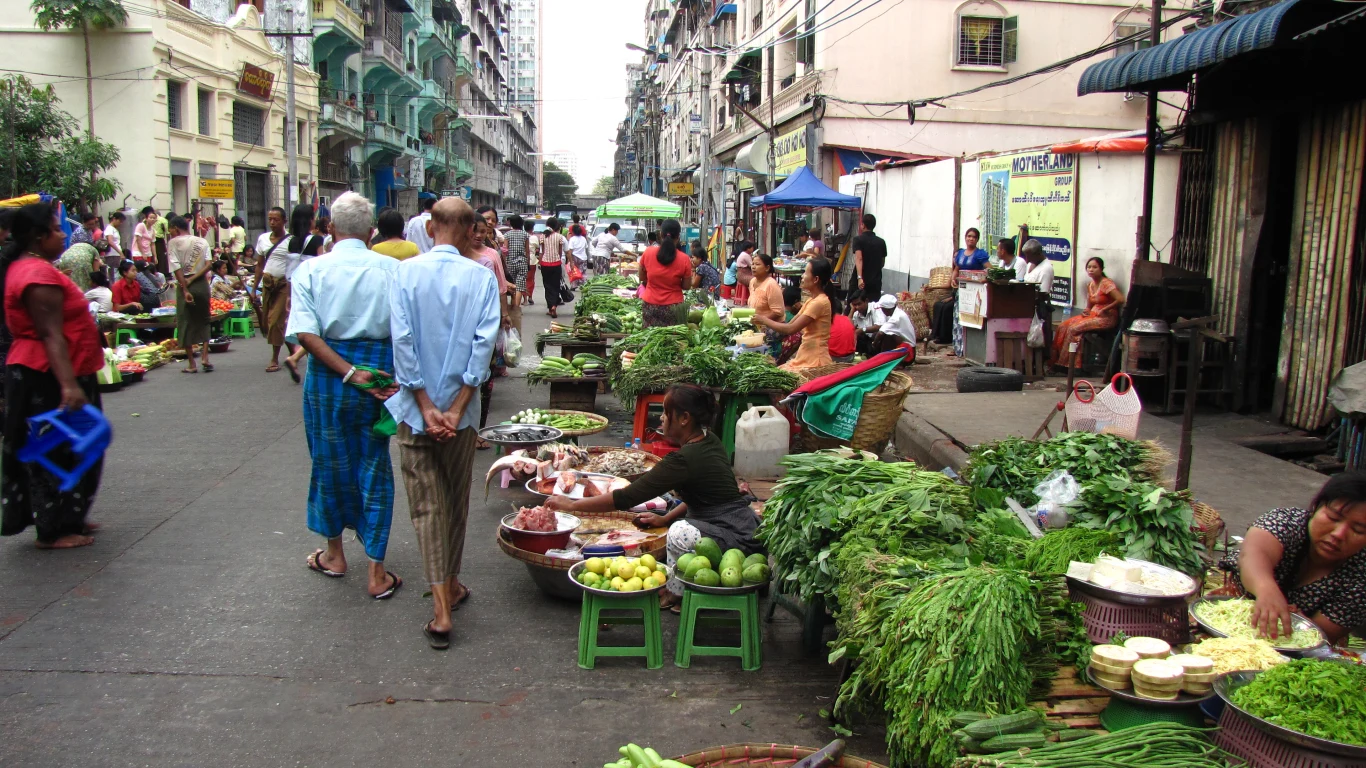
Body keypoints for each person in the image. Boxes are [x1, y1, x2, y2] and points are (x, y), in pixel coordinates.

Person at [387, 197, 502, 649]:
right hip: (462, 416)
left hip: (416, 414)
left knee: (426, 508)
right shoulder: (480, 277)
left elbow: (402, 339)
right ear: (472, 228)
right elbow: (484, 344)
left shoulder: (404, 274)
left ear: (431, 226)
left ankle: (441, 606)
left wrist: (423, 401)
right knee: (455, 502)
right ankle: (449, 587)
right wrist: (455, 409)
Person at [286, 191, 405, 601]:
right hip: (379, 376)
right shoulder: (393, 270)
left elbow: (306, 335)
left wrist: (348, 372)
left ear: (330, 228)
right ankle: (377, 572)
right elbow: (405, 333)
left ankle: (335, 556)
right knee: (374, 465)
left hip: (328, 376)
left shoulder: (310, 271)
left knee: (328, 461)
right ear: (371, 232)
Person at [546, 385, 759, 612]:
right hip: (740, 525)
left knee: (679, 532)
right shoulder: (710, 440)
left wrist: (572, 505)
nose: (662, 419)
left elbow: (627, 497)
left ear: (684, 418)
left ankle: (676, 593)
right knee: (671, 517)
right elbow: (701, 497)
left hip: (735, 537)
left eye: (667, 413)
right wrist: (664, 518)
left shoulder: (682, 460)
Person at [0, 202, 107, 549]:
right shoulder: (35, 275)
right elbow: (50, 334)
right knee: (55, 450)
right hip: (45, 375)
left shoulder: (40, 267)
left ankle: (69, 515)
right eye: (57, 229)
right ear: (38, 236)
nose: (63, 234)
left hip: (65, 368)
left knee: (81, 444)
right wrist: (68, 385)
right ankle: (53, 529)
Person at [1222, 472, 1366, 644]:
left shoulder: (1360, 574)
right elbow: (1253, 554)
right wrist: (1267, 591)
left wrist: (1298, 623)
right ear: (1316, 508)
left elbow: (1324, 634)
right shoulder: (1288, 522)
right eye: (1333, 518)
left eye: (1358, 530)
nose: (1338, 534)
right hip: (1228, 616)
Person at [753, 256, 839, 373]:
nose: (802, 276)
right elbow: (790, 324)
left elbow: (790, 329)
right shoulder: (811, 300)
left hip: (815, 359)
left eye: (805, 273)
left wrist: (764, 320)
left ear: (816, 279)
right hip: (806, 355)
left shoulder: (819, 302)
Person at [1051, 256, 1124, 370]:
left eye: (1095, 267)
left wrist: (1105, 308)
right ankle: (1057, 360)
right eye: (1089, 267)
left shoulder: (1106, 283)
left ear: (1101, 269)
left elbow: (1120, 299)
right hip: (1093, 315)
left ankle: (1069, 365)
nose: (1091, 269)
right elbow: (1089, 304)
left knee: (1074, 329)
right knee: (1063, 326)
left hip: (1106, 318)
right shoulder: (1090, 285)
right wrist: (1086, 310)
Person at [280, 205, 325, 382]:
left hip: (297, 288)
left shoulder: (291, 242)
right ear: (310, 220)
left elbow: (289, 272)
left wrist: (289, 297)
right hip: (314, 288)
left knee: (305, 325)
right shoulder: (316, 241)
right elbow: (322, 267)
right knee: (318, 328)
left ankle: (297, 357)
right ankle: (296, 358)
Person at [167, 215, 214, 374]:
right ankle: (205, 357)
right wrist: (195, 278)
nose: (170, 232)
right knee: (205, 319)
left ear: (175, 228)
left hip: (184, 283)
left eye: (170, 229)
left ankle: (192, 364)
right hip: (201, 284)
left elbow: (176, 267)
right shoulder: (202, 241)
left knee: (185, 321)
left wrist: (185, 287)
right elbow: (209, 265)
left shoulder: (173, 243)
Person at [252, 206, 293, 374]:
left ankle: (274, 359)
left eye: (276, 219)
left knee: (276, 320)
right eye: (270, 219)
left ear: (284, 221)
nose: (272, 222)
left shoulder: (291, 240)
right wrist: (254, 288)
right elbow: (259, 264)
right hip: (267, 284)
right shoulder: (263, 239)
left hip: (283, 284)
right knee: (268, 322)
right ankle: (293, 351)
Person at [639, 220, 693, 327]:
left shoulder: (648, 252)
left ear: (660, 234)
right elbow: (686, 286)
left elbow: (641, 277)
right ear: (678, 237)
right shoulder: (684, 259)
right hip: (673, 308)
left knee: (650, 339)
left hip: (650, 306)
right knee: (672, 340)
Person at [949, 227, 990, 357]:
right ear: (965, 238)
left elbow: (990, 269)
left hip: (974, 292)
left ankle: (968, 349)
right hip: (961, 291)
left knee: (971, 318)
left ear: (977, 240)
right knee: (958, 317)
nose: (970, 239)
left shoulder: (980, 254)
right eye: (968, 236)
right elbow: (957, 268)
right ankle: (957, 347)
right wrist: (953, 279)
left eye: (973, 237)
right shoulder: (960, 253)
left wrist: (980, 279)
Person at [748, 253, 785, 355]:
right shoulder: (752, 282)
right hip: (757, 324)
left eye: (757, 264)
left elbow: (778, 312)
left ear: (767, 268)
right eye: (752, 264)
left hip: (771, 327)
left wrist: (763, 320)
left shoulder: (771, 285)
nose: (753, 267)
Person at [1022, 239, 1055, 350]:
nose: (1027, 259)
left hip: (1040, 305)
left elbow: (1043, 292)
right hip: (1027, 303)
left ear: (1038, 254)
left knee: (1041, 335)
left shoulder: (1046, 269)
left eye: (1029, 256)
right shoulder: (1031, 264)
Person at [503, 214, 528, 333]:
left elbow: (505, 250)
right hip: (522, 261)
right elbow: (527, 250)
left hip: (510, 263)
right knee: (520, 285)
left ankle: (513, 305)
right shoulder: (525, 234)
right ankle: (516, 307)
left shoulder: (507, 234)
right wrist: (527, 260)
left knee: (512, 284)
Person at [853, 214, 888, 298]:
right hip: (875, 281)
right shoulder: (881, 242)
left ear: (863, 225)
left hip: (861, 281)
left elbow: (859, 258)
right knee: (874, 305)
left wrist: (859, 277)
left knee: (855, 304)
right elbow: (882, 263)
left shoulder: (858, 240)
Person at [539, 216, 567, 318]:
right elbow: (560, 252)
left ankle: (550, 307)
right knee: (555, 286)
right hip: (556, 264)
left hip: (545, 264)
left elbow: (542, 252)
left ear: (547, 225)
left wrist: (540, 262)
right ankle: (554, 305)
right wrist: (557, 260)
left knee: (547, 286)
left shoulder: (542, 236)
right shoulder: (559, 237)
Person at [522, 218, 538, 306]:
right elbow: (537, 247)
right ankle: (530, 297)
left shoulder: (522, 236)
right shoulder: (534, 237)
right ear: (532, 228)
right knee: (531, 279)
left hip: (522, 259)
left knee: (523, 279)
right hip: (531, 260)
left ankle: (524, 299)